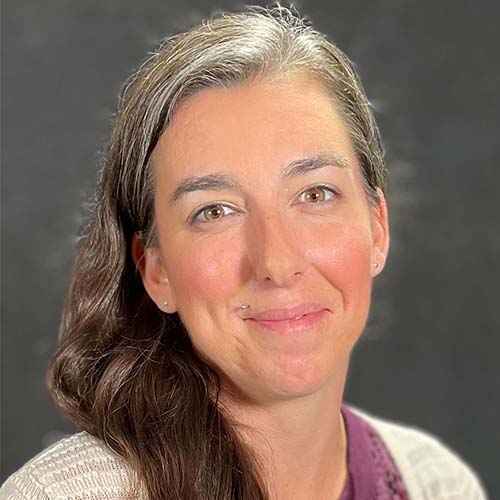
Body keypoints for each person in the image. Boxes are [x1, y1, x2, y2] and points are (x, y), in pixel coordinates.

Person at [0, 5, 488, 500]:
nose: (276, 263)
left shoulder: (438, 484)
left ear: (377, 227)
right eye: (215, 211)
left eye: (315, 194)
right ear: (157, 270)